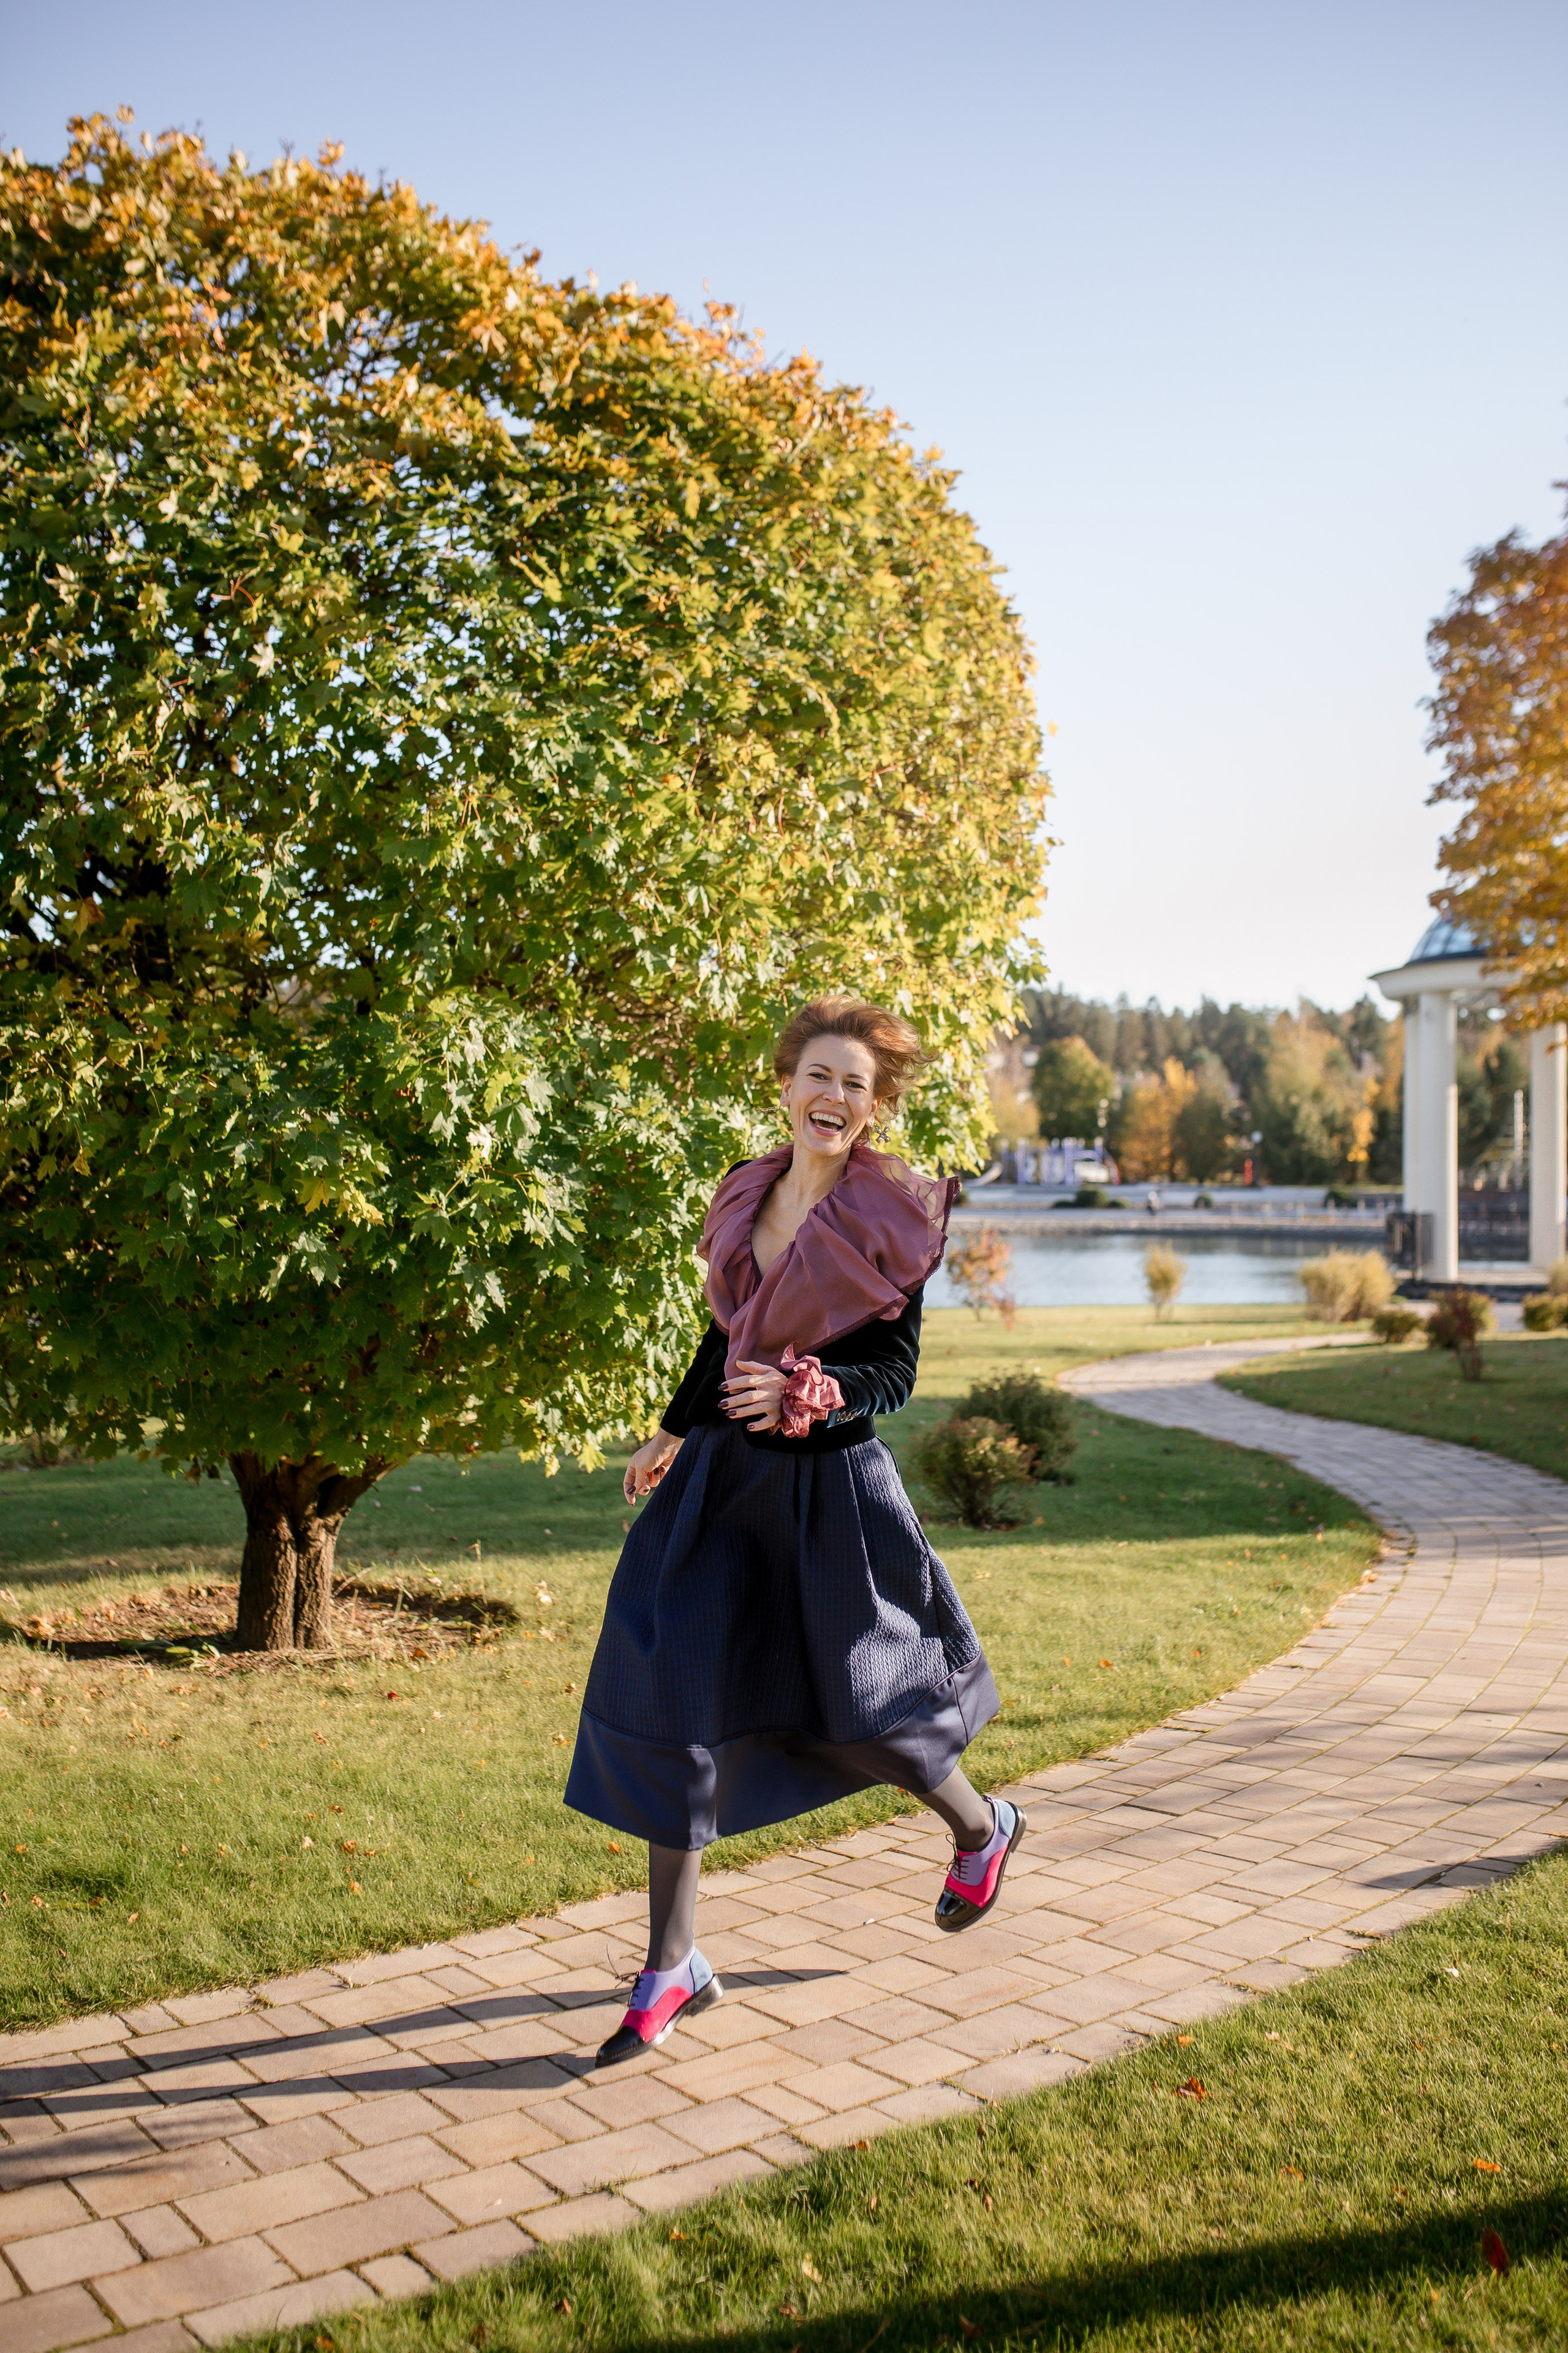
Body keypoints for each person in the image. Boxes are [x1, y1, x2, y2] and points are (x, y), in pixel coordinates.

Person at [565, 997, 1025, 2068]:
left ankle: (978, 1827)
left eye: (857, 1085)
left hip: (828, 1495)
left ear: (876, 1103)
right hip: (721, 1485)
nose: (836, 1098)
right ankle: (669, 1964)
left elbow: (895, 1374)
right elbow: (727, 1333)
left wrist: (817, 1391)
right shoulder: (746, 1190)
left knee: (862, 1714)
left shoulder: (898, 1213)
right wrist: (673, 1429)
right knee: (677, 1690)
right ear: (786, 1083)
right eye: (820, 1075)